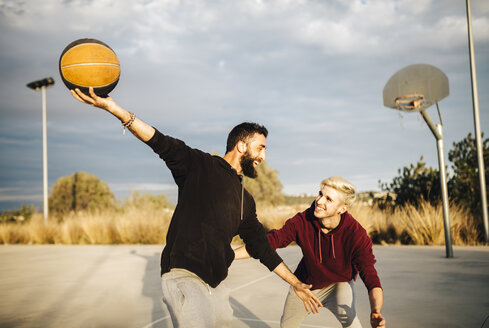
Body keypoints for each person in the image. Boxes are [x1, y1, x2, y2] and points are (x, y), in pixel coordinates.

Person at [70, 87, 322, 328]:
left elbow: (261, 247)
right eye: (260, 148)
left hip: (215, 285)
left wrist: (296, 283)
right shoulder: (199, 165)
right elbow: (159, 141)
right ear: (241, 146)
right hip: (184, 275)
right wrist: (115, 109)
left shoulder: (246, 200)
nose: (263, 157)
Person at [234, 176, 386, 328]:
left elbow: (370, 276)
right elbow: (268, 242)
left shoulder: (356, 234)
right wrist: (231, 255)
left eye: (328, 199)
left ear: (342, 209)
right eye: (320, 194)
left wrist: (375, 311)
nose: (319, 201)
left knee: (353, 325)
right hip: (305, 285)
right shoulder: (303, 220)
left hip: (338, 284)